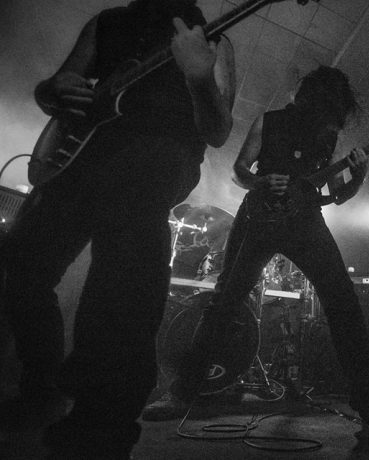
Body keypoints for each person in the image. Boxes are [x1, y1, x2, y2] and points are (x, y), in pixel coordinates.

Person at [0, 0, 235, 457]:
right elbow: (56, 87)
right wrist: (54, 90)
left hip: (160, 152)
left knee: (126, 259)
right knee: (22, 264)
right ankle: (41, 385)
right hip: (82, 151)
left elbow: (218, 130)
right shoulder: (108, 22)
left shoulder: (213, 38)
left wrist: (199, 78)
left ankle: (101, 420)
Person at [143, 65, 369, 441]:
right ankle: (182, 393)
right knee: (224, 301)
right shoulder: (268, 121)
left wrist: (359, 177)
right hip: (259, 216)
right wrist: (260, 181)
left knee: (344, 304)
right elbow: (239, 171)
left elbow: (335, 196)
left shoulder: (329, 136)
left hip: (306, 222)